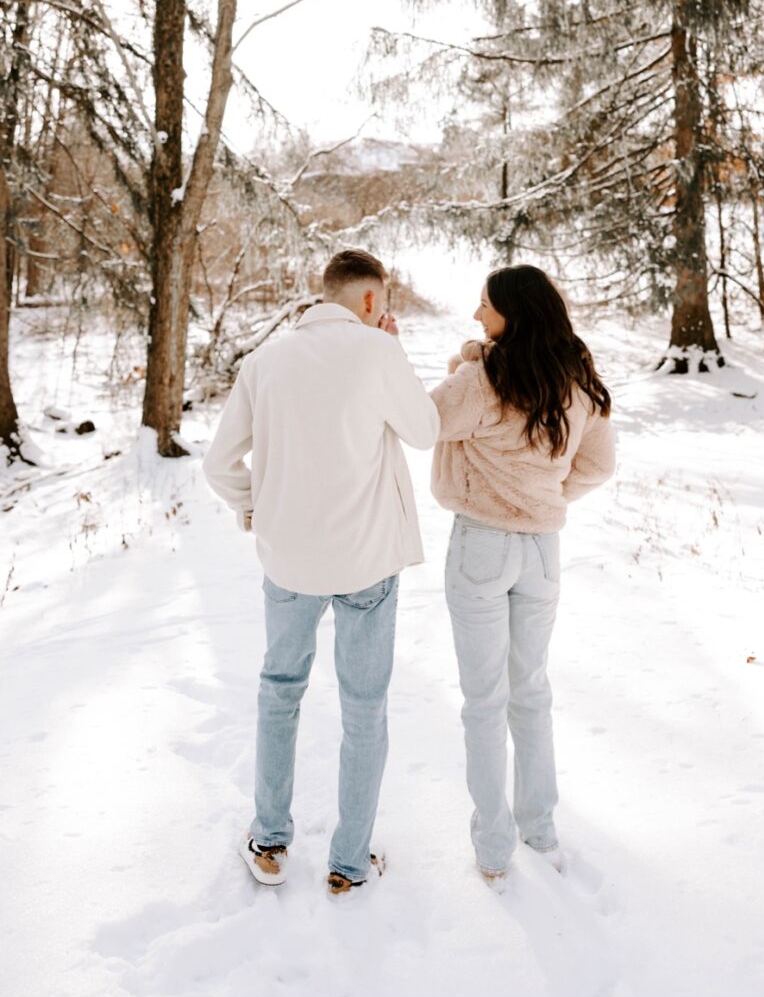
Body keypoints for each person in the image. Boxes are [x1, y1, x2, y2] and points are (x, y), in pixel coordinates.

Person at [203, 248, 440, 898]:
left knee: (279, 690)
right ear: (370, 301)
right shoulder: (377, 351)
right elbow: (425, 430)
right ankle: (349, 861)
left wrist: (259, 508)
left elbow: (220, 465)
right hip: (367, 561)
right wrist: (393, 353)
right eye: (384, 303)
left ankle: (270, 839)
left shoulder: (264, 361)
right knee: (364, 708)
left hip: (289, 561)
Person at [431, 265, 617, 882]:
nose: (477, 317)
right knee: (530, 692)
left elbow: (426, 420)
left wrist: (464, 361)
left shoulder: (482, 377)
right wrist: (546, 491)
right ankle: (539, 829)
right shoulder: (579, 381)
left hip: (482, 543)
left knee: (485, 700)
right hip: (541, 549)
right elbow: (597, 465)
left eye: (485, 306)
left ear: (513, 311)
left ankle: (492, 847)